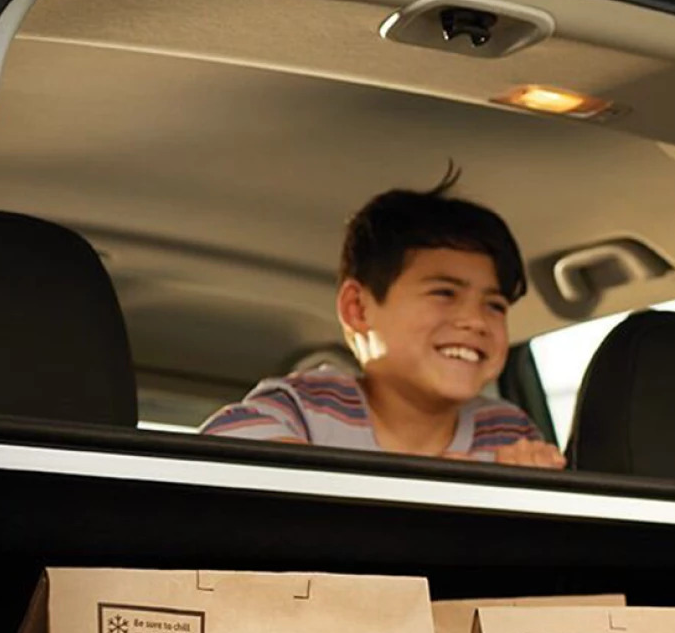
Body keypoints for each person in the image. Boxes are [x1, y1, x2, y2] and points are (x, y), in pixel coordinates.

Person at [201, 169, 563, 468]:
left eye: (495, 305)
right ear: (357, 309)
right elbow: (222, 452)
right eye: (444, 293)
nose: (475, 321)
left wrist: (528, 487)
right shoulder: (310, 407)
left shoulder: (507, 433)